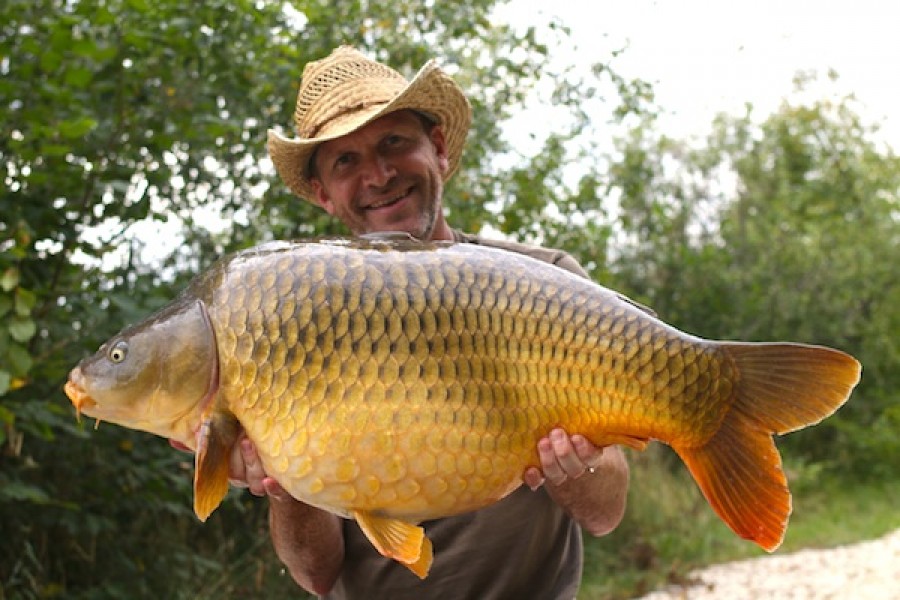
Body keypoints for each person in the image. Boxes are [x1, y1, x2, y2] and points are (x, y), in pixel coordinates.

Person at [232, 46, 630, 599]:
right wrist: (285, 483)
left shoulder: (547, 283)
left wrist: (574, 470)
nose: (377, 174)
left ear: (438, 148)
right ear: (323, 192)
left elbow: (606, 513)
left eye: (392, 142)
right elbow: (315, 574)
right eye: (345, 161)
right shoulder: (301, 323)